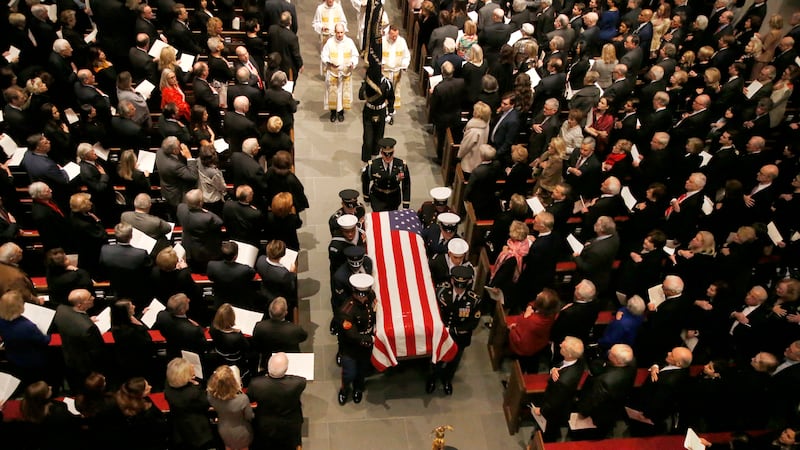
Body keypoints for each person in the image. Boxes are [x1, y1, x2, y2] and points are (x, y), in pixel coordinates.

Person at [427, 266, 482, 395]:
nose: (459, 288)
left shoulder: (473, 300)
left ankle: (447, 380)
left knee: (453, 362)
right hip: (441, 335)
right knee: (437, 360)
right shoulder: (441, 292)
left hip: (459, 338)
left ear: (468, 283)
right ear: (452, 280)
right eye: (457, 284)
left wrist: (453, 330)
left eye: (462, 286)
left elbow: (473, 323)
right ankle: (432, 380)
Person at [531, 337, 587, 441]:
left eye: (564, 346)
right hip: (564, 398)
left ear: (569, 355)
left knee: (548, 429)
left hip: (555, 408)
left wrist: (541, 410)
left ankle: (542, 443)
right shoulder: (579, 360)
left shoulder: (562, 381)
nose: (560, 345)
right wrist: (554, 369)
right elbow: (562, 366)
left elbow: (553, 402)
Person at [247, 352, 306, 450]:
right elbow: (302, 380)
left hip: (265, 423)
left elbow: (250, 398)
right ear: (286, 369)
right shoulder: (297, 383)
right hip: (289, 423)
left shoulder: (256, 384)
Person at [53, 289, 107, 394]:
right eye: (89, 298)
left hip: (69, 356)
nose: (93, 298)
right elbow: (97, 351)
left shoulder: (61, 310)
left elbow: (74, 323)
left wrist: (86, 319)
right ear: (80, 304)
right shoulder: (88, 328)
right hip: (85, 364)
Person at [337, 274, 376, 405]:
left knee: (362, 372)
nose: (362, 297)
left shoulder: (371, 297)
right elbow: (351, 335)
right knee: (349, 373)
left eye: (364, 294)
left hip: (366, 347)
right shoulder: (347, 310)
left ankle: (358, 389)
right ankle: (344, 390)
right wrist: (370, 339)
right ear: (353, 292)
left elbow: (374, 313)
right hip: (351, 348)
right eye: (359, 294)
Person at [0, 290, 51, 386]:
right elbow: (45, 341)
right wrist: (49, 334)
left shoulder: (1, 320)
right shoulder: (27, 327)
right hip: (33, 361)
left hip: (13, 357)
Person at [164, 358, 215, 450]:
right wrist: (197, 385)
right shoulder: (194, 393)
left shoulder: (168, 387)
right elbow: (206, 403)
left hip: (178, 430)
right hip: (197, 431)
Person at [506, 289, 561, 372]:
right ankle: (531, 371)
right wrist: (530, 307)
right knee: (533, 361)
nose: (538, 294)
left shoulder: (532, 320)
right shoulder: (551, 313)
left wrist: (525, 316)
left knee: (522, 365)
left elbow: (521, 326)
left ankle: (518, 379)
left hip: (526, 345)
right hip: (539, 342)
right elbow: (534, 304)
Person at [252, 298, 309, 369]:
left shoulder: (259, 326)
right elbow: (304, 337)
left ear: (269, 312)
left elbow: (256, 343)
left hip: (268, 361)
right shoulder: (295, 329)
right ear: (286, 313)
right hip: (290, 361)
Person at [207, 365, 254, 450]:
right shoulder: (242, 399)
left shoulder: (211, 396)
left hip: (223, 429)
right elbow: (249, 416)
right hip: (241, 431)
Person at [177, 189, 224, 273]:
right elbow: (220, 222)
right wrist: (205, 211)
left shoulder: (181, 208)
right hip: (202, 251)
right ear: (201, 203)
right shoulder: (207, 218)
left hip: (187, 245)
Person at [109, 299, 154, 382]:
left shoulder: (117, 325)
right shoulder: (130, 332)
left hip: (124, 359)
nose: (134, 306)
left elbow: (132, 323)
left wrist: (142, 315)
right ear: (125, 312)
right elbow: (148, 341)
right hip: (136, 363)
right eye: (131, 306)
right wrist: (141, 325)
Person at [322, 23, 359, 122]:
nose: (339, 35)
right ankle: (333, 113)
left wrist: (352, 63)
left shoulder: (349, 42)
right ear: (335, 32)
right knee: (333, 94)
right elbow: (324, 55)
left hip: (345, 74)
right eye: (338, 32)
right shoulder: (330, 42)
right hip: (333, 73)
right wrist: (329, 62)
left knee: (342, 94)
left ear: (344, 32)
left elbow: (355, 55)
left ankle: (341, 112)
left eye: (341, 32)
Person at [362, 138, 411, 211]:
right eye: (385, 154)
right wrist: (366, 197)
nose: (388, 157)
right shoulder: (373, 165)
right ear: (381, 153)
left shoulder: (401, 165)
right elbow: (365, 181)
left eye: (390, 154)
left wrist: (406, 202)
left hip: (394, 198)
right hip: (377, 198)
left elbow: (406, 184)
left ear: (393, 152)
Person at [256, 240, 299, 315]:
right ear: (282, 255)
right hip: (279, 294)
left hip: (265, 288)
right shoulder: (284, 274)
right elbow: (290, 285)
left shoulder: (260, 259)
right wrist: (293, 272)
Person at [210, 303, 251, 379]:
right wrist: (240, 333)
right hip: (235, 362)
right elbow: (247, 347)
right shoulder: (236, 337)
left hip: (220, 358)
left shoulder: (213, 328)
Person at [381, 25, 410, 114]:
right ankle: (383, 109)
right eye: (393, 35)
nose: (395, 38)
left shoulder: (401, 41)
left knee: (393, 92)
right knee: (383, 91)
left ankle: (390, 110)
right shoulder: (382, 41)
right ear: (388, 33)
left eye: (396, 35)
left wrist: (405, 65)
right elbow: (376, 54)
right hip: (385, 71)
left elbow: (406, 55)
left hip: (396, 72)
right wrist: (380, 63)